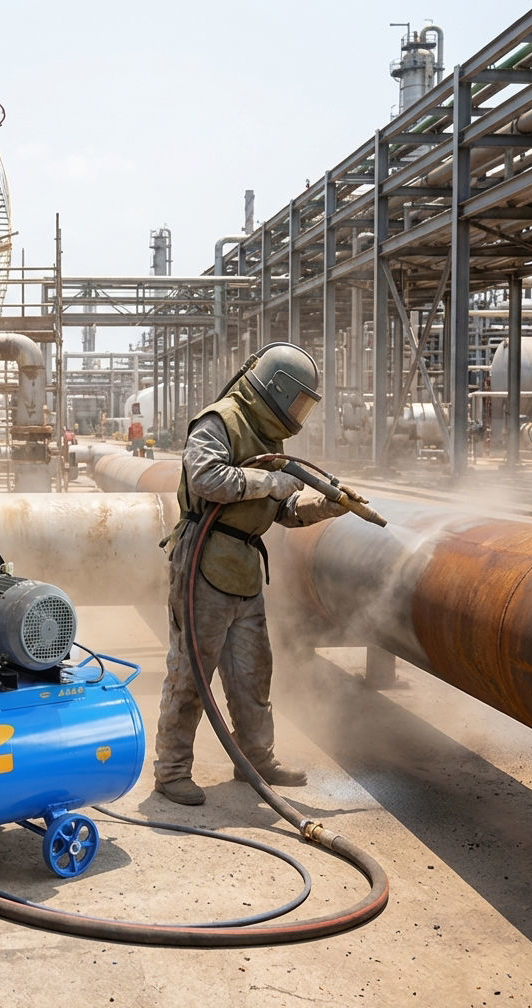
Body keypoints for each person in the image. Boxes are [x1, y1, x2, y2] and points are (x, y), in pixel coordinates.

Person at [153, 342, 348, 806]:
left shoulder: (268, 437)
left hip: (241, 568)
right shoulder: (219, 421)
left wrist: (325, 507)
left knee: (253, 672)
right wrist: (272, 481)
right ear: (276, 390)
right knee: (190, 674)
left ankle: (255, 759)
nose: (297, 414)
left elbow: (283, 510)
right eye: (296, 402)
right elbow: (206, 478)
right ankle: (172, 771)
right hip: (203, 563)